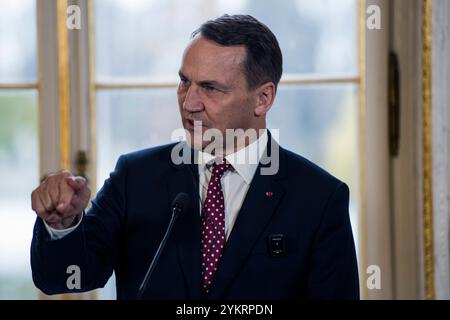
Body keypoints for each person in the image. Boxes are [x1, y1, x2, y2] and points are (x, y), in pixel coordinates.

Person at [30, 14, 359, 299]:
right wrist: (63, 223)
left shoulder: (319, 199)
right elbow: (64, 277)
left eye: (211, 88)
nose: (189, 103)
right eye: (184, 82)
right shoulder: (136, 177)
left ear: (262, 99)